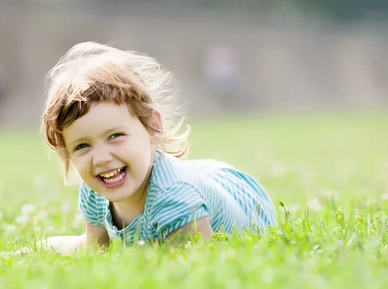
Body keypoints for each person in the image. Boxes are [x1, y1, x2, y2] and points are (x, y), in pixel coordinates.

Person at [40, 42, 277, 254]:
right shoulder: (95, 191)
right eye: (83, 145)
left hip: (247, 201)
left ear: (152, 126)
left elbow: (199, 263)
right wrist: (39, 247)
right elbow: (93, 248)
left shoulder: (174, 197)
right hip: (196, 178)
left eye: (115, 136)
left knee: (183, 184)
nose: (101, 158)